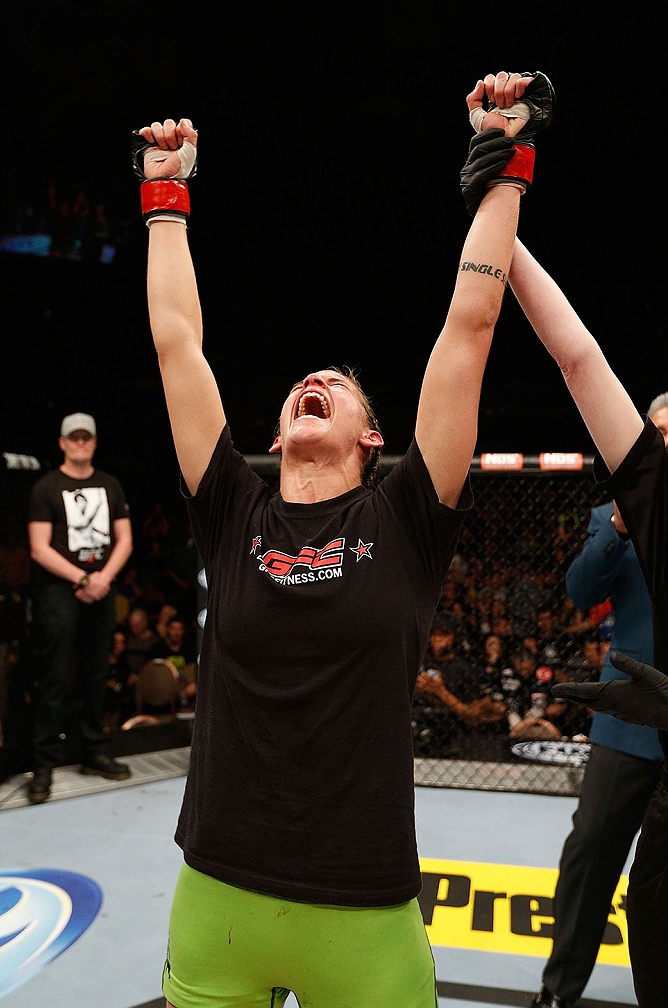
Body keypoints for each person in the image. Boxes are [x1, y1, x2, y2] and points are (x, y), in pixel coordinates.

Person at [132, 69, 553, 1008]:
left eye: (338, 380)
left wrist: (506, 162)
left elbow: (470, 326)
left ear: (373, 434)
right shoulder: (232, 507)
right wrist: (167, 195)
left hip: (363, 909)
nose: (312, 378)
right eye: (301, 382)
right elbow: (176, 341)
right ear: (279, 434)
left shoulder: (403, 517)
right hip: (218, 894)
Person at [497, 208, 668, 1006]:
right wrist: (623, 524)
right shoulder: (618, 513)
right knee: (589, 858)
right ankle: (558, 992)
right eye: (652, 435)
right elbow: (577, 593)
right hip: (627, 722)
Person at [27, 413, 134, 803]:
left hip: (102, 587)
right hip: (60, 592)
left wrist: (102, 578)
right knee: (54, 676)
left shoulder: (110, 484)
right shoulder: (46, 486)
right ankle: (42, 764)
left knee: (96, 673)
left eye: (86, 437)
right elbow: (38, 547)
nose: (80, 443)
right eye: (74, 437)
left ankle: (94, 752)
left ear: (94, 441)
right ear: (62, 442)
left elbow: (125, 539)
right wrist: (83, 578)